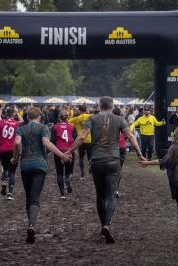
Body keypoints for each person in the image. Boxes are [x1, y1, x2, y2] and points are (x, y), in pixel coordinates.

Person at [67, 96, 146, 244]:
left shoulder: (91, 118)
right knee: (110, 194)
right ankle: (107, 225)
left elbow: (82, 137)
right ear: (112, 106)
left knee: (100, 195)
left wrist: (69, 151)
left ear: (99, 106)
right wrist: (139, 154)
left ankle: (103, 225)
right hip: (113, 160)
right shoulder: (120, 119)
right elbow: (130, 136)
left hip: (96, 161)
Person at [11, 107, 71, 244]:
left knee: (28, 197)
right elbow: (46, 142)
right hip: (39, 165)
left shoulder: (22, 128)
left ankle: (30, 225)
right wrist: (61, 154)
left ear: (27, 117)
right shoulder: (43, 127)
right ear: (39, 117)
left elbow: (17, 142)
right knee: (35, 198)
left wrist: (15, 157)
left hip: (25, 165)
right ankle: (32, 225)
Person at [0, 107, 23, 200]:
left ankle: (4, 181)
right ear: (14, 114)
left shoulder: (1, 122)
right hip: (13, 149)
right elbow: (22, 120)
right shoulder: (16, 123)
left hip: (2, 149)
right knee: (12, 171)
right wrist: (17, 112)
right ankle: (10, 193)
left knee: (5, 168)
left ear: (6, 114)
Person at [51, 111, 77, 199]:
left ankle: (62, 194)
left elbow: (53, 140)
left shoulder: (55, 127)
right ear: (68, 117)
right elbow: (76, 139)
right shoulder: (72, 126)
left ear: (59, 117)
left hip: (59, 151)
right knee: (69, 170)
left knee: (59, 173)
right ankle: (68, 178)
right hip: (69, 151)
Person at [69, 105, 92, 179]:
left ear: (79, 111)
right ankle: (91, 167)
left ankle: (82, 175)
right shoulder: (91, 116)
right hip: (90, 140)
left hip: (81, 140)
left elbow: (67, 121)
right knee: (90, 157)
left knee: (81, 158)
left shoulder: (76, 118)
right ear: (86, 110)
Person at [113, 107, 126, 199]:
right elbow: (127, 135)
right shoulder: (123, 121)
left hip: (111, 147)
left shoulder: (109, 122)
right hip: (121, 147)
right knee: (118, 170)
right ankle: (116, 190)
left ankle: (109, 189)